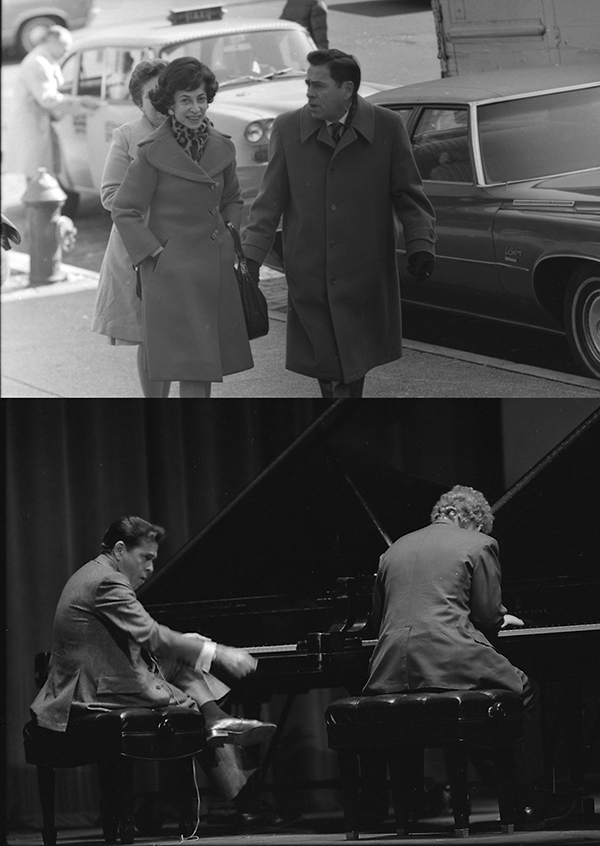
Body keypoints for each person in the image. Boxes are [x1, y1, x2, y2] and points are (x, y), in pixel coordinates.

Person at [30, 516, 291, 831]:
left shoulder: (92, 572)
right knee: (189, 683)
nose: (151, 568)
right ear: (120, 549)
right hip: (92, 692)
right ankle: (216, 726)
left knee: (184, 664)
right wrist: (218, 651)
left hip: (91, 680)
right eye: (146, 558)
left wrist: (192, 645)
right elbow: (151, 635)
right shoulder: (107, 582)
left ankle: (215, 718)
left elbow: (135, 642)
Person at [363, 485, 573, 830]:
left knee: (475, 702)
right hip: (448, 656)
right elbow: (489, 613)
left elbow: (377, 618)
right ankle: (528, 797)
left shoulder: (393, 550)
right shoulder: (480, 544)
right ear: (474, 522)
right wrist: (502, 617)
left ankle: (492, 787)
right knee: (526, 690)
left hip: (387, 666)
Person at [241, 48, 435, 398]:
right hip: (310, 271)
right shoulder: (287, 128)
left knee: (353, 365)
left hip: (365, 272)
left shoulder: (388, 127)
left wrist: (421, 243)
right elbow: (268, 202)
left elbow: (408, 193)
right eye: (307, 84)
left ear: (347, 90)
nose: (309, 93)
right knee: (329, 367)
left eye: (318, 85)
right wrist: (251, 259)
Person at [112, 57, 253, 398]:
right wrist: (157, 254)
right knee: (184, 362)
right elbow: (124, 209)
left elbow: (233, 198)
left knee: (203, 367)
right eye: (186, 100)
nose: (195, 108)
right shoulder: (150, 153)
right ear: (170, 105)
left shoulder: (223, 146)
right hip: (171, 275)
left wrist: (228, 238)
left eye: (201, 99)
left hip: (211, 270)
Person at [91, 59, 172, 398]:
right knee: (153, 337)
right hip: (143, 249)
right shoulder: (127, 135)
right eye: (154, 96)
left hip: (187, 246)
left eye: (169, 93)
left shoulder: (197, 127)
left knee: (185, 335)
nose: (164, 103)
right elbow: (110, 195)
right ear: (139, 102)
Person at [9, 26, 98, 207]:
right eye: (64, 45)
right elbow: (47, 99)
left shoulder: (49, 59)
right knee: (37, 170)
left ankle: (42, 209)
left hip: (42, 121)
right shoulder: (37, 62)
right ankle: (37, 213)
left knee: (44, 169)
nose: (67, 50)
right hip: (31, 124)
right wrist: (81, 102)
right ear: (50, 41)